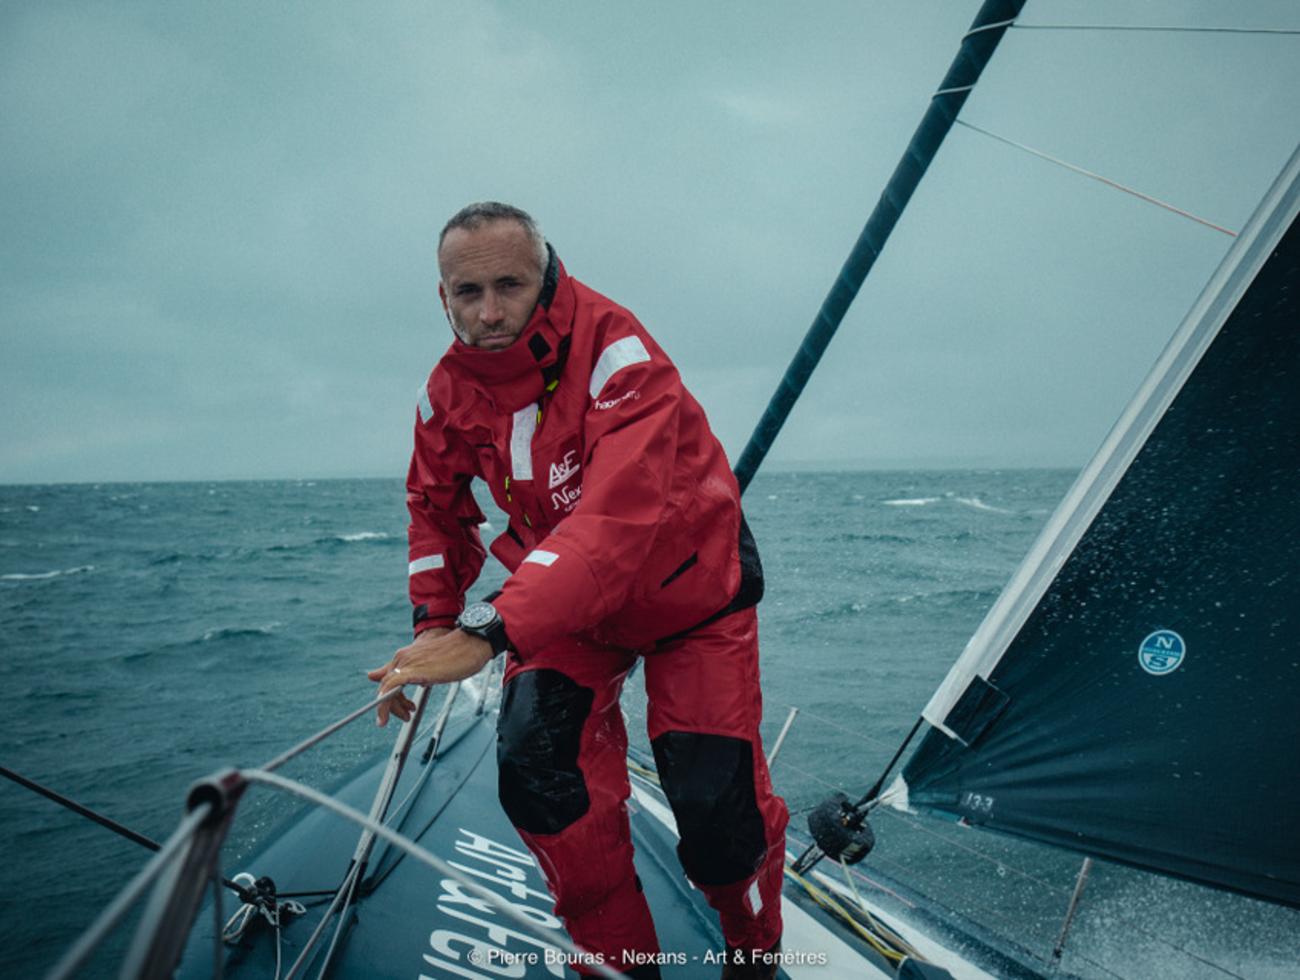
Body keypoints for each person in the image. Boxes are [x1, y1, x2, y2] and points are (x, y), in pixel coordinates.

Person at [368, 202, 787, 979]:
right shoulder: (447, 393)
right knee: (539, 777)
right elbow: (434, 509)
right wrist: (433, 629)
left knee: (714, 805)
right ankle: (617, 965)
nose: (489, 313)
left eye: (509, 286)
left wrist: (486, 632)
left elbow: (616, 521)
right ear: (443, 297)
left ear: (547, 276)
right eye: (468, 293)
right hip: (566, 606)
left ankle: (754, 951)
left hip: (691, 596)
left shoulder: (619, 358)